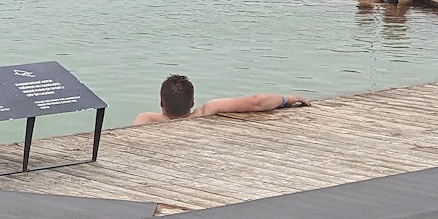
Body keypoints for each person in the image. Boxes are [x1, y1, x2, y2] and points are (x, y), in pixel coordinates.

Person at [133, 74, 311, 125]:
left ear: (161, 103)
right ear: (192, 102)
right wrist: (285, 99)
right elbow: (257, 102)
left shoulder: (147, 120)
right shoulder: (205, 111)